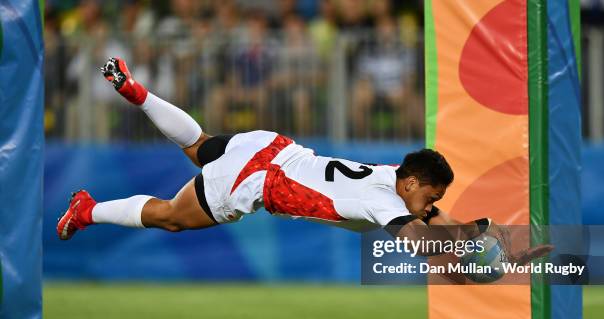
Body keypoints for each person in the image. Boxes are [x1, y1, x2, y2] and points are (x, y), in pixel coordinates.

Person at [57, 57, 551, 266]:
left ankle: (138, 92)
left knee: (199, 143)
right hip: (257, 180)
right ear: (413, 182)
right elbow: (423, 243)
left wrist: (492, 242)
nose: (432, 204)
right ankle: (88, 208)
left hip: (271, 146)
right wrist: (474, 255)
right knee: (169, 218)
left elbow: (435, 222)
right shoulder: (384, 201)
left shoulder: (390, 178)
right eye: (431, 194)